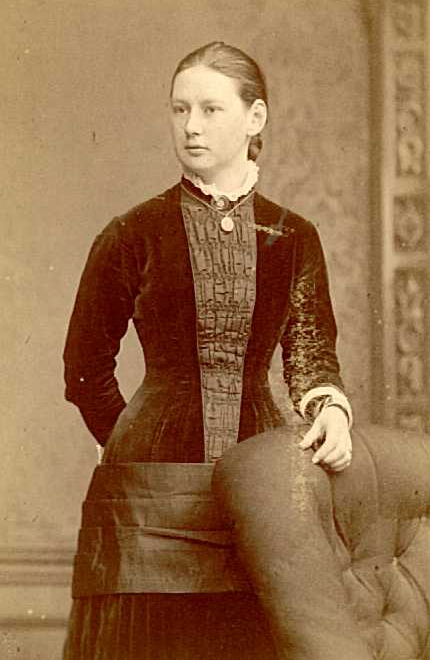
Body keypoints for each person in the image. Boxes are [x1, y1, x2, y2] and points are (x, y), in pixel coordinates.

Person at [62, 41, 358, 660]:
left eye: (210, 109)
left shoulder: (293, 236)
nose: (191, 125)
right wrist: (132, 442)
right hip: (150, 478)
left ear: (255, 117)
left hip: (262, 478)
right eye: (180, 109)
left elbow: (309, 352)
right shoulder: (132, 232)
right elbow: (84, 368)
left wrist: (329, 409)